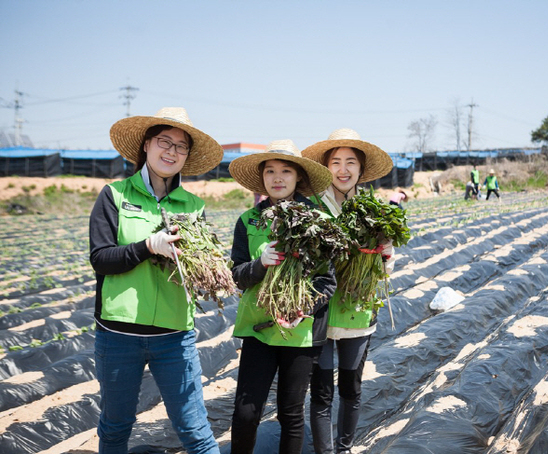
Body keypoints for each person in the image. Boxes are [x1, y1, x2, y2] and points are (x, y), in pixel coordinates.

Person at [89, 107, 224, 454]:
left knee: (195, 430)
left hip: (174, 336)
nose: (172, 151)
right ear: (147, 145)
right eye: (165, 142)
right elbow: (101, 260)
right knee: (116, 426)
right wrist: (148, 246)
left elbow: (199, 268)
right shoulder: (115, 195)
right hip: (119, 335)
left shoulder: (193, 205)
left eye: (181, 147)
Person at [227, 139, 337, 454]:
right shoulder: (248, 221)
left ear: (298, 176)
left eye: (285, 171)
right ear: (262, 177)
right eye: (271, 170)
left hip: (300, 334)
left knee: (291, 413)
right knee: (246, 413)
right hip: (258, 329)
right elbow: (236, 274)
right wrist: (260, 265)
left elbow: (327, 282)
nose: (278, 177)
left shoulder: (319, 222)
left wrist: (302, 307)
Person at [302, 128, 396, 454]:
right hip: (320, 315)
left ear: (360, 169)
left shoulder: (374, 211)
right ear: (326, 167)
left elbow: (384, 268)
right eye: (336, 162)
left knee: (351, 389)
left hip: (358, 313)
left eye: (350, 162)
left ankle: (344, 448)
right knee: (322, 392)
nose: (343, 169)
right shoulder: (313, 208)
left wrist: (385, 255)